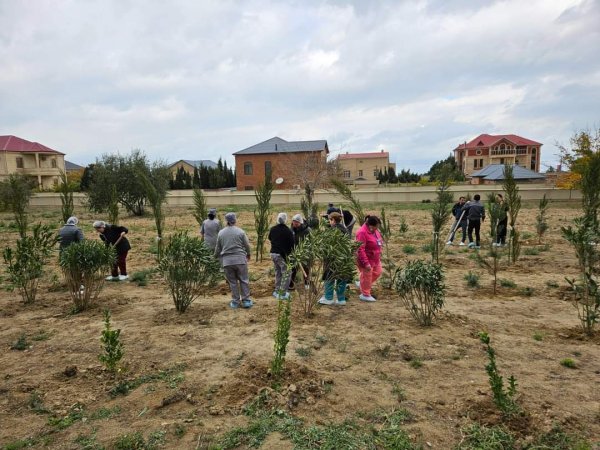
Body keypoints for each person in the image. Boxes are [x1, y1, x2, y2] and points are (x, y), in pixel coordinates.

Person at [214, 212, 253, 309]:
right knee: (243, 280)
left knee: (232, 282)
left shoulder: (221, 233)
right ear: (234, 220)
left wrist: (214, 257)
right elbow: (247, 245)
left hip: (227, 262)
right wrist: (248, 254)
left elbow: (218, 248)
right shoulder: (240, 232)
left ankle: (235, 301)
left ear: (226, 221)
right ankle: (246, 300)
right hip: (240, 260)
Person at [319, 211, 350, 306]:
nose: (329, 222)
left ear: (333, 220)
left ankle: (329, 297)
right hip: (343, 257)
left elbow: (326, 244)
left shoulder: (331, 231)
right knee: (341, 277)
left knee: (329, 277)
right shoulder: (345, 230)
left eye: (329, 220)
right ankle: (341, 299)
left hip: (332, 258)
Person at [355, 215, 383, 302]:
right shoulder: (362, 233)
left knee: (378, 272)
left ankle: (362, 283)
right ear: (371, 225)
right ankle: (365, 294)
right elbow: (360, 249)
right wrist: (366, 263)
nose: (377, 228)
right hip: (367, 259)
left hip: (375, 258)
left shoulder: (374, 231)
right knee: (367, 275)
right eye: (376, 226)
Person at [268, 213, 295, 300]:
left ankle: (277, 290)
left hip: (273, 253)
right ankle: (282, 293)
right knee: (287, 272)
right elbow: (292, 244)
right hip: (281, 254)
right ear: (285, 220)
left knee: (278, 272)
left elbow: (270, 238)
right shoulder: (288, 231)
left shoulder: (273, 229)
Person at [289, 213, 311, 290]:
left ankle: (307, 284)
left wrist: (306, 251)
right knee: (293, 268)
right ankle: (290, 284)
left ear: (300, 222)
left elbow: (310, 242)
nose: (294, 223)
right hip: (294, 252)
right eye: (293, 221)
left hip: (304, 252)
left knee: (306, 268)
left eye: (296, 222)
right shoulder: (291, 229)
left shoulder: (307, 230)